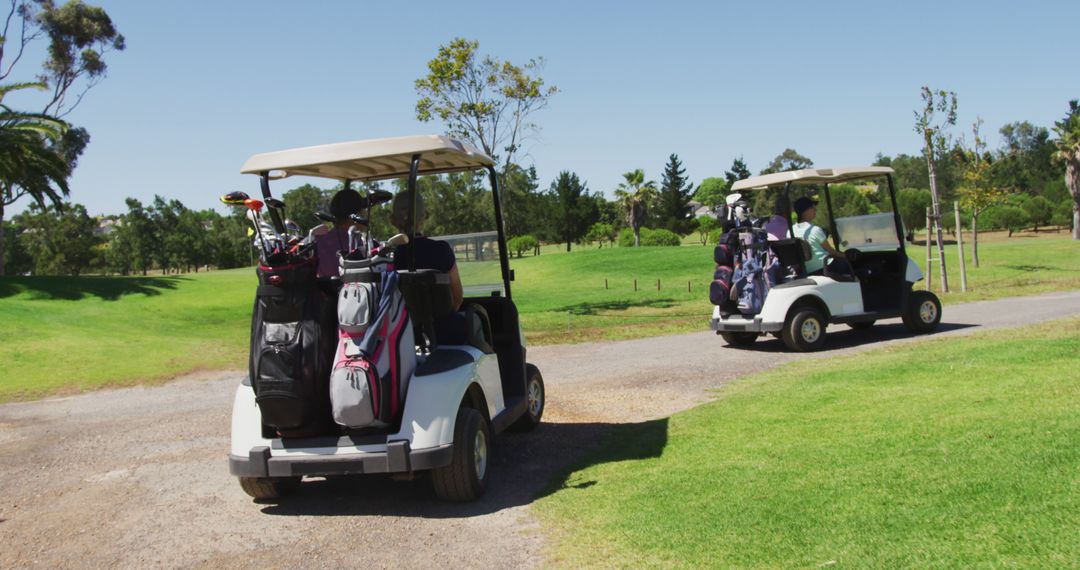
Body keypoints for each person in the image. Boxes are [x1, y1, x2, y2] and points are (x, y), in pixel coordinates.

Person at [389, 190, 464, 311]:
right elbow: (457, 298)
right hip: (441, 325)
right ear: (423, 217)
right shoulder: (442, 250)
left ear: (392, 220)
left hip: (401, 327)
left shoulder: (387, 256)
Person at [314, 188, 367, 278]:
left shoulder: (317, 242)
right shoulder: (360, 246)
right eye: (363, 209)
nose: (365, 213)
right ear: (355, 216)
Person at [792, 196, 846, 275]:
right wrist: (844, 255)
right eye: (813, 208)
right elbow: (831, 251)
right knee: (850, 266)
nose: (815, 210)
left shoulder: (790, 231)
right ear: (805, 211)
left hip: (807, 270)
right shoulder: (815, 230)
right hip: (824, 267)